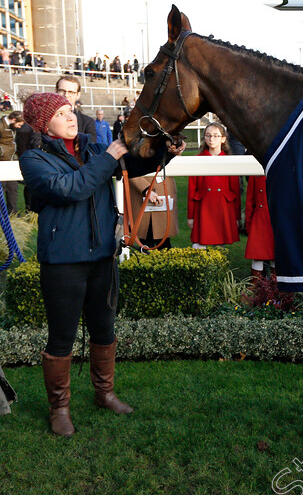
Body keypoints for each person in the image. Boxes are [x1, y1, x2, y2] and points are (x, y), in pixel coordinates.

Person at [18, 92, 185, 437]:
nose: (70, 116)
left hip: (102, 257)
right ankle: (59, 409)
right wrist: (108, 156)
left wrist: (166, 152)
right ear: (43, 122)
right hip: (62, 261)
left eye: (71, 110)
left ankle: (104, 393)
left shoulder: (92, 149)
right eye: (61, 113)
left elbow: (136, 165)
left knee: (104, 332)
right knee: (61, 339)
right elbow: (70, 188)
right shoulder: (33, 158)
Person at [188, 123, 240, 248]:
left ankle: (219, 267)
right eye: (208, 135)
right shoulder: (198, 159)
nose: (212, 139)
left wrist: (237, 217)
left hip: (223, 207)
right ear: (204, 138)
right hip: (203, 207)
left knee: (220, 245)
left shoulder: (230, 160)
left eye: (216, 136)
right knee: (199, 244)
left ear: (223, 139)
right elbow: (191, 190)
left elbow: (236, 191)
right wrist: (191, 216)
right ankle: (200, 268)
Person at [128, 173, 179, 250]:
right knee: (146, 241)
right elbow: (129, 167)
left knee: (164, 242)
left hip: (164, 188)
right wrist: (145, 188)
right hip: (141, 192)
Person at [245, 174, 275, 282]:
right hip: (260, 220)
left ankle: (276, 289)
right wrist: (249, 223)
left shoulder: (282, 171)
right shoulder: (255, 175)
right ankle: (255, 287)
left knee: (275, 254)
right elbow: (250, 201)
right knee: (258, 254)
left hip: (276, 219)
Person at [55, 75, 97, 143]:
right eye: (62, 91)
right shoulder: (45, 119)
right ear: (56, 91)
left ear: (78, 95)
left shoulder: (87, 122)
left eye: (71, 92)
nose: (66, 95)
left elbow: (90, 149)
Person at [0, 111, 24, 213]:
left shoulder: (12, 127)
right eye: (19, 124)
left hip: (11, 161)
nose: (19, 127)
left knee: (12, 188)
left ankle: (13, 213)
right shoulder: (1, 126)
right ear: (14, 120)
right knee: (2, 189)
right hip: (2, 162)